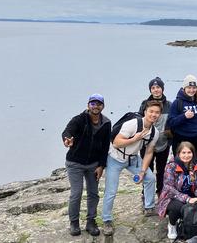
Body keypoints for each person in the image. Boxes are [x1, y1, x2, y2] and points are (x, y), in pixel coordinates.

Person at [102, 100, 162, 236]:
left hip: (134, 159)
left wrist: (142, 171)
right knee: (111, 190)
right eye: (151, 111)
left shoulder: (154, 132)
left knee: (150, 178)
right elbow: (116, 143)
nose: (154, 114)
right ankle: (106, 220)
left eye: (157, 112)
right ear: (145, 112)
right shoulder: (132, 125)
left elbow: (149, 152)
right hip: (115, 158)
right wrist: (134, 139)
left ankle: (149, 207)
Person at [61, 93, 111, 236]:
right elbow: (67, 131)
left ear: (103, 106)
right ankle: (74, 222)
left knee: (93, 194)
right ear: (88, 105)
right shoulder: (79, 119)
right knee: (76, 193)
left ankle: (91, 221)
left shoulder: (106, 123)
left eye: (99, 104)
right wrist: (67, 139)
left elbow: (105, 146)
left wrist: (101, 165)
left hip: (93, 165)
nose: (96, 106)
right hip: (75, 162)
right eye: (93, 103)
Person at [157, 141, 197, 240]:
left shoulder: (194, 166)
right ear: (178, 153)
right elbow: (169, 189)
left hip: (189, 195)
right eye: (183, 152)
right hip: (171, 198)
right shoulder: (171, 166)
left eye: (189, 152)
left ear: (193, 154)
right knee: (178, 207)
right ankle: (172, 224)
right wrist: (188, 199)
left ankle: (190, 223)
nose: (186, 155)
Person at [168, 74, 197, 168]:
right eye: (189, 87)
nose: (191, 90)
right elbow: (171, 122)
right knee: (183, 166)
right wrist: (184, 116)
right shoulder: (177, 103)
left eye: (194, 88)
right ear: (184, 88)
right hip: (182, 139)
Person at [139, 76, 172, 196]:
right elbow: (139, 121)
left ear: (162, 89)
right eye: (153, 88)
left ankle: (161, 193)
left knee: (161, 169)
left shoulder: (169, 105)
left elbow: (172, 122)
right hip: (146, 142)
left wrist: (170, 133)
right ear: (150, 90)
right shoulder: (144, 104)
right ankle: (146, 194)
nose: (156, 90)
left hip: (163, 142)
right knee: (147, 169)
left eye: (158, 87)